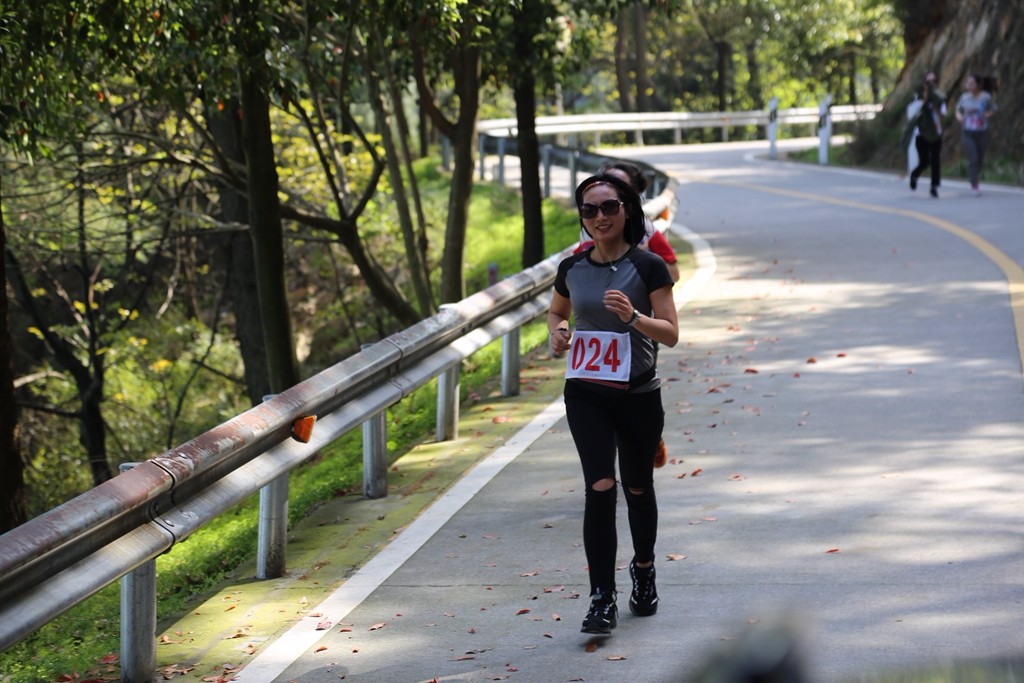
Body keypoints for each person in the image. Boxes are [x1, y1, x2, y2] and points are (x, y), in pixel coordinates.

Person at [548, 173, 679, 635]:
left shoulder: (648, 267)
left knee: (638, 488)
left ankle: (643, 569)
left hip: (639, 395)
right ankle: (601, 597)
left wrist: (634, 317)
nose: (600, 217)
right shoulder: (572, 267)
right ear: (582, 217)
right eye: (590, 210)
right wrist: (558, 334)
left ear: (625, 209)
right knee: (600, 487)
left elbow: (671, 333)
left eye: (608, 207)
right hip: (587, 393)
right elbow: (557, 311)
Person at [575, 161, 678, 468]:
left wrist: (642, 275)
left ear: (631, 199)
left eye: (615, 198)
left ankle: (645, 439)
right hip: (597, 358)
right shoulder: (585, 246)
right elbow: (567, 292)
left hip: (639, 332)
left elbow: (672, 270)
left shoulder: (648, 237)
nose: (601, 215)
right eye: (591, 208)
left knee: (636, 392)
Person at [906, 73, 947, 198]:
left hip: (936, 133)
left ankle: (934, 186)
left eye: (934, 81)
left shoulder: (938, 97)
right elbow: (911, 114)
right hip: (921, 134)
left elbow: (944, 114)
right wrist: (923, 101)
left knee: (935, 160)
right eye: (929, 82)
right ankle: (915, 175)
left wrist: (935, 107)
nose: (931, 84)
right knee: (925, 161)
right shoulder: (917, 97)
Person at [956, 73, 997, 197]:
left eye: (972, 84)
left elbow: (993, 109)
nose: (969, 86)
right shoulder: (964, 98)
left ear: (978, 85)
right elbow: (958, 110)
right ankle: (974, 185)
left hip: (982, 132)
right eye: (968, 83)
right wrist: (959, 117)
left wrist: (987, 114)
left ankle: (975, 177)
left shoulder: (986, 97)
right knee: (972, 158)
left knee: (979, 159)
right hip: (968, 132)